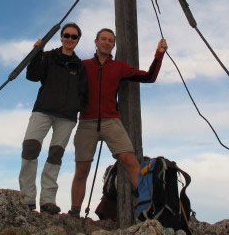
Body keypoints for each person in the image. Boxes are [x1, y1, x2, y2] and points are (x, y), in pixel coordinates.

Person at [69, 28, 167, 217]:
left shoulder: (119, 67)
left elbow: (149, 77)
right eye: (103, 39)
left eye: (110, 41)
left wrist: (159, 54)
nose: (106, 43)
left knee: (129, 160)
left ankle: (148, 208)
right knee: (82, 170)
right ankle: (74, 213)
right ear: (96, 42)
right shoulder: (83, 65)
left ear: (113, 45)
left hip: (111, 120)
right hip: (87, 122)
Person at [19, 22, 88, 215]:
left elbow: (84, 92)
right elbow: (32, 76)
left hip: (66, 117)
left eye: (74, 37)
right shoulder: (48, 56)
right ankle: (27, 198)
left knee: (55, 155)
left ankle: (48, 200)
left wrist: (76, 106)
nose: (69, 39)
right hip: (43, 111)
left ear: (78, 40)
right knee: (30, 148)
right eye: (67, 35)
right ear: (61, 37)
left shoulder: (79, 66)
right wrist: (35, 52)